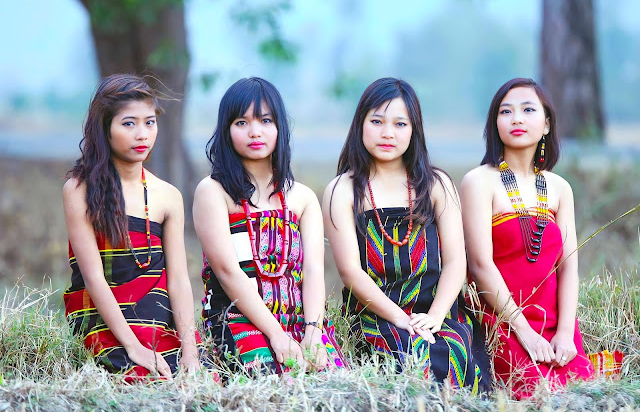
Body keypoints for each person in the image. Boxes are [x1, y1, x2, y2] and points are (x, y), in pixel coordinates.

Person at [323, 77, 491, 393]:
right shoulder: (343, 190)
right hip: (376, 313)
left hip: (436, 310)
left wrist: (437, 316)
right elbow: (350, 272)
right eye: (377, 121)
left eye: (400, 124)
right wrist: (401, 319)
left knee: (452, 352)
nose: (388, 133)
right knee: (409, 357)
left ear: (414, 130)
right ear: (360, 124)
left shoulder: (437, 184)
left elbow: (456, 262)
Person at [194, 77, 345, 374]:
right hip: (237, 318)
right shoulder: (212, 191)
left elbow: (314, 270)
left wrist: (314, 330)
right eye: (241, 122)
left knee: (334, 384)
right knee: (271, 383)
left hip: (299, 318)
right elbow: (227, 272)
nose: (255, 132)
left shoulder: (302, 198)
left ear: (280, 128)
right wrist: (276, 335)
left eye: (265, 120)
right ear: (226, 131)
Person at [460, 77, 595, 398]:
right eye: (506, 112)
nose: (516, 118)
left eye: (528, 109)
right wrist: (525, 332)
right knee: (535, 393)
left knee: (585, 393)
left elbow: (568, 268)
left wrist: (565, 332)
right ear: (495, 123)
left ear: (547, 124)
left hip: (553, 321)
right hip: (502, 320)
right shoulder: (478, 182)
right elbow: (480, 266)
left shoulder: (560, 188)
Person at [63, 74, 203, 381]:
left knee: (186, 377)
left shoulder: (168, 196)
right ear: (105, 129)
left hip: (156, 313)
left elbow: (178, 279)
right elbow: (93, 277)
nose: (142, 134)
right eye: (128, 123)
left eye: (149, 122)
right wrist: (133, 346)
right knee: (140, 374)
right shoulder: (79, 189)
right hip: (101, 314)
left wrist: (191, 350)